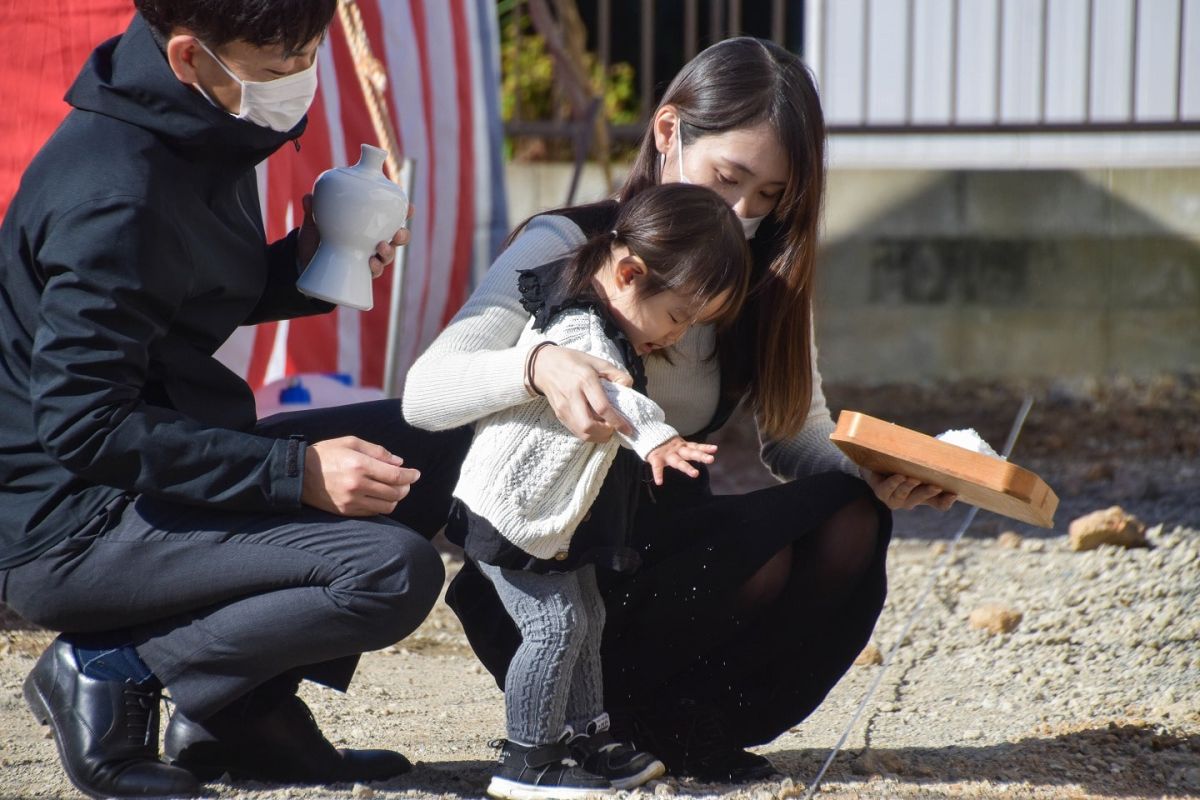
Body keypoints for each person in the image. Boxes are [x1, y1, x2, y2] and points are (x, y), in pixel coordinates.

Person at [402, 36, 957, 783]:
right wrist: (535, 365)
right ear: (668, 132)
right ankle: (583, 735)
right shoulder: (572, 245)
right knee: (754, 561)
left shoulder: (756, 277)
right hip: (549, 558)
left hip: (659, 543)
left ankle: (696, 727)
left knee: (848, 513)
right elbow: (426, 390)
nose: (742, 212)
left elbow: (797, 435)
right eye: (729, 177)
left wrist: (885, 475)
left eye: (769, 198)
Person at [0, 2, 469, 798]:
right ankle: (106, 666)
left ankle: (243, 713)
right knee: (388, 572)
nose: (301, 79)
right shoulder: (118, 191)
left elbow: (171, 297)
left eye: (311, 52)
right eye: (281, 64)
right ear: (188, 55)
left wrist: (303, 265)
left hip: (149, 467)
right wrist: (297, 473)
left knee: (434, 436)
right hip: (67, 522)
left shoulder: (195, 122)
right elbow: (85, 424)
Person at [445, 183, 751, 799]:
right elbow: (612, 396)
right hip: (510, 513)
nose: (675, 336)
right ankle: (529, 755)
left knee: (586, 615)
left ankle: (587, 734)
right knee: (555, 627)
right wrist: (658, 438)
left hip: (548, 519)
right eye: (676, 316)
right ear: (630, 272)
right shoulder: (583, 329)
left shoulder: (608, 317)